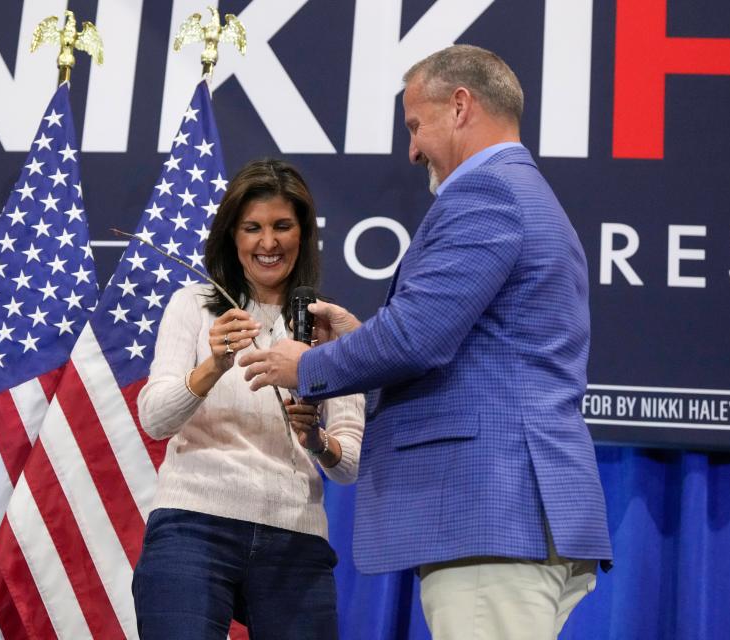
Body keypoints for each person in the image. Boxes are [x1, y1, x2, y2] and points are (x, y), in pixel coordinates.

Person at [240, 45, 612, 639]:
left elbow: (417, 338)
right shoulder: (522, 192)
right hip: (512, 516)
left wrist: (308, 364)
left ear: (461, 105)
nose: (411, 149)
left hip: (493, 515)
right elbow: (472, 340)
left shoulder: (486, 193)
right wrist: (366, 341)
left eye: (416, 125)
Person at [132, 158, 364, 639]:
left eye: (282, 226)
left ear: (303, 234)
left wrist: (315, 440)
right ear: (231, 236)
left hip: (295, 535)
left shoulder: (331, 325)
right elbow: (155, 419)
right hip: (193, 524)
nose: (268, 243)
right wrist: (213, 365)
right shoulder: (193, 305)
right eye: (252, 228)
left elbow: (350, 463)